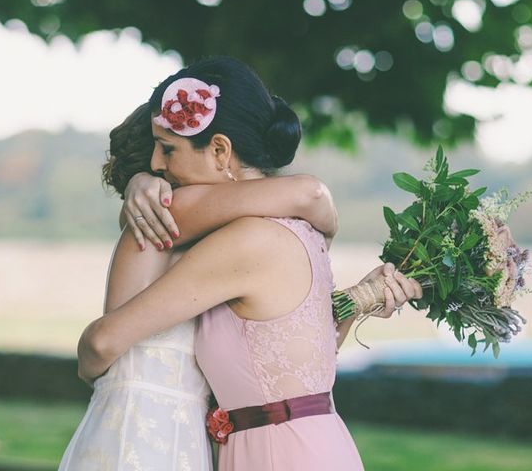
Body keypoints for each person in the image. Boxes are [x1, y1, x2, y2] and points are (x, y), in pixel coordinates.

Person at [76, 56, 421, 470]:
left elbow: (103, 342)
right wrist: (355, 299)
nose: (156, 165)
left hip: (275, 452)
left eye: (168, 149)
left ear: (220, 150)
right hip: (302, 443)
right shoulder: (302, 231)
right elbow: (286, 364)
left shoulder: (243, 238)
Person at [59, 102, 342, 470]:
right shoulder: (156, 221)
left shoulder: (218, 247)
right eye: (163, 151)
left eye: (170, 149)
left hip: (188, 442)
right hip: (138, 438)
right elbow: (102, 346)